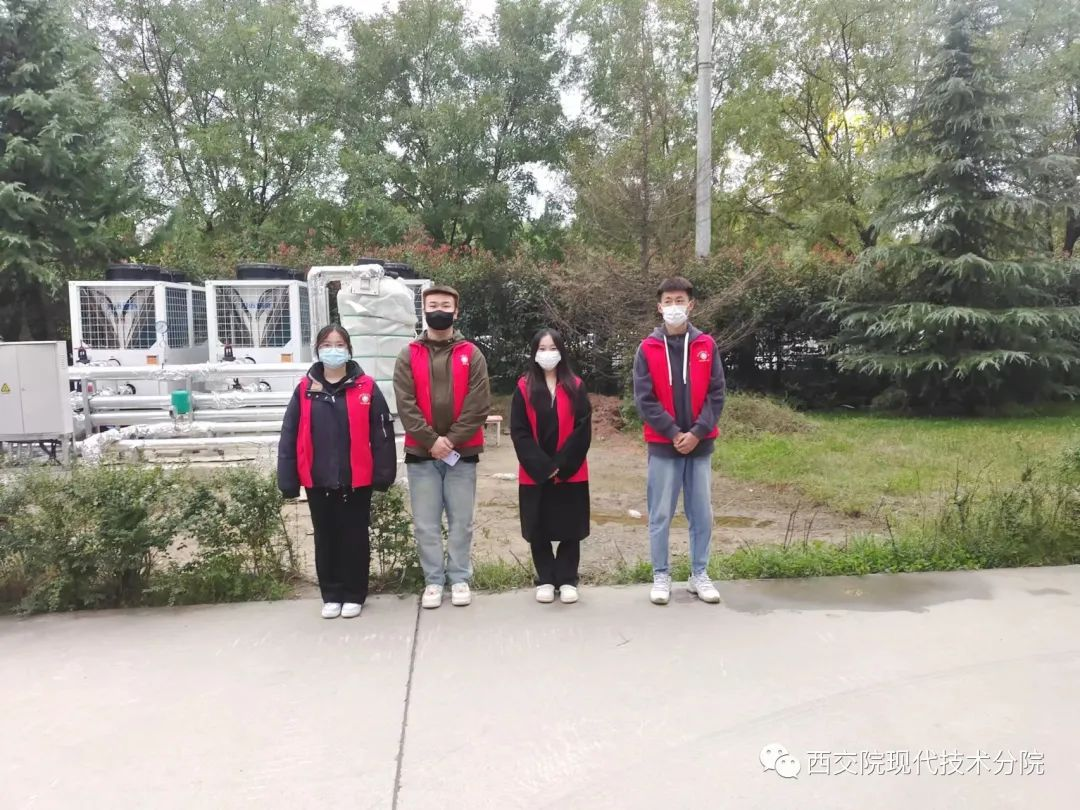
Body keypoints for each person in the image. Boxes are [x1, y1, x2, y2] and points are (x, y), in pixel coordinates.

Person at [278, 325, 397, 619]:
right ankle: (331, 594)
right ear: (318, 350)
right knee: (325, 536)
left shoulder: (366, 387)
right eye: (327, 344)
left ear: (349, 350)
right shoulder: (305, 389)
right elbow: (289, 434)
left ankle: (354, 594)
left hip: (357, 479)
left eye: (339, 344)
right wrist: (288, 479)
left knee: (355, 536)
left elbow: (382, 433)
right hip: (318, 478)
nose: (333, 350)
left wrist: (384, 473)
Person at [393, 285, 491, 609]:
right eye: (433, 304)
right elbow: (405, 404)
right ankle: (433, 581)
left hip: (462, 454)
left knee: (461, 521)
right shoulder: (408, 354)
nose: (439, 310)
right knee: (426, 524)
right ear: (424, 310)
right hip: (421, 455)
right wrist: (431, 441)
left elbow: (478, 404)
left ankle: (459, 577)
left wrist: (450, 441)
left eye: (445, 305)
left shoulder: (471, 354)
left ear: (456, 311)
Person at [633, 276, 726, 605]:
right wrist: (673, 433)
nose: (674, 306)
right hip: (664, 446)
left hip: (700, 446)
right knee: (661, 514)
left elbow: (717, 394)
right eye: (668, 301)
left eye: (680, 300)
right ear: (659, 307)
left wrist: (697, 432)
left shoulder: (706, 346)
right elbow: (644, 399)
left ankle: (699, 573)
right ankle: (661, 575)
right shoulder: (647, 348)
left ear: (691, 305)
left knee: (701, 513)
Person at [510, 329, 592, 604]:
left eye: (553, 348)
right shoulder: (523, 387)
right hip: (535, 473)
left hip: (571, 471)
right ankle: (545, 578)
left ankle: (567, 579)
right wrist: (543, 466)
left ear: (562, 351)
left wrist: (562, 464)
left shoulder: (576, 386)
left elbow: (582, 429)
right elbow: (519, 431)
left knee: (570, 526)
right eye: (542, 349)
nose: (548, 354)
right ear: (534, 353)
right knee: (539, 526)